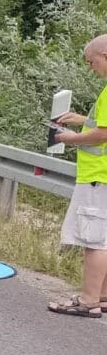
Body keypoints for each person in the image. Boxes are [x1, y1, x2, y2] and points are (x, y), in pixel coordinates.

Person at [47, 34, 107, 317]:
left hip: (98, 175)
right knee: (105, 238)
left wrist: (71, 138)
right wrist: (82, 120)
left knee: (93, 240)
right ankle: (103, 296)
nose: (91, 68)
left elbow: (102, 134)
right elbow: (100, 124)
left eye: (91, 62)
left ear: (105, 56)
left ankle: (88, 301)